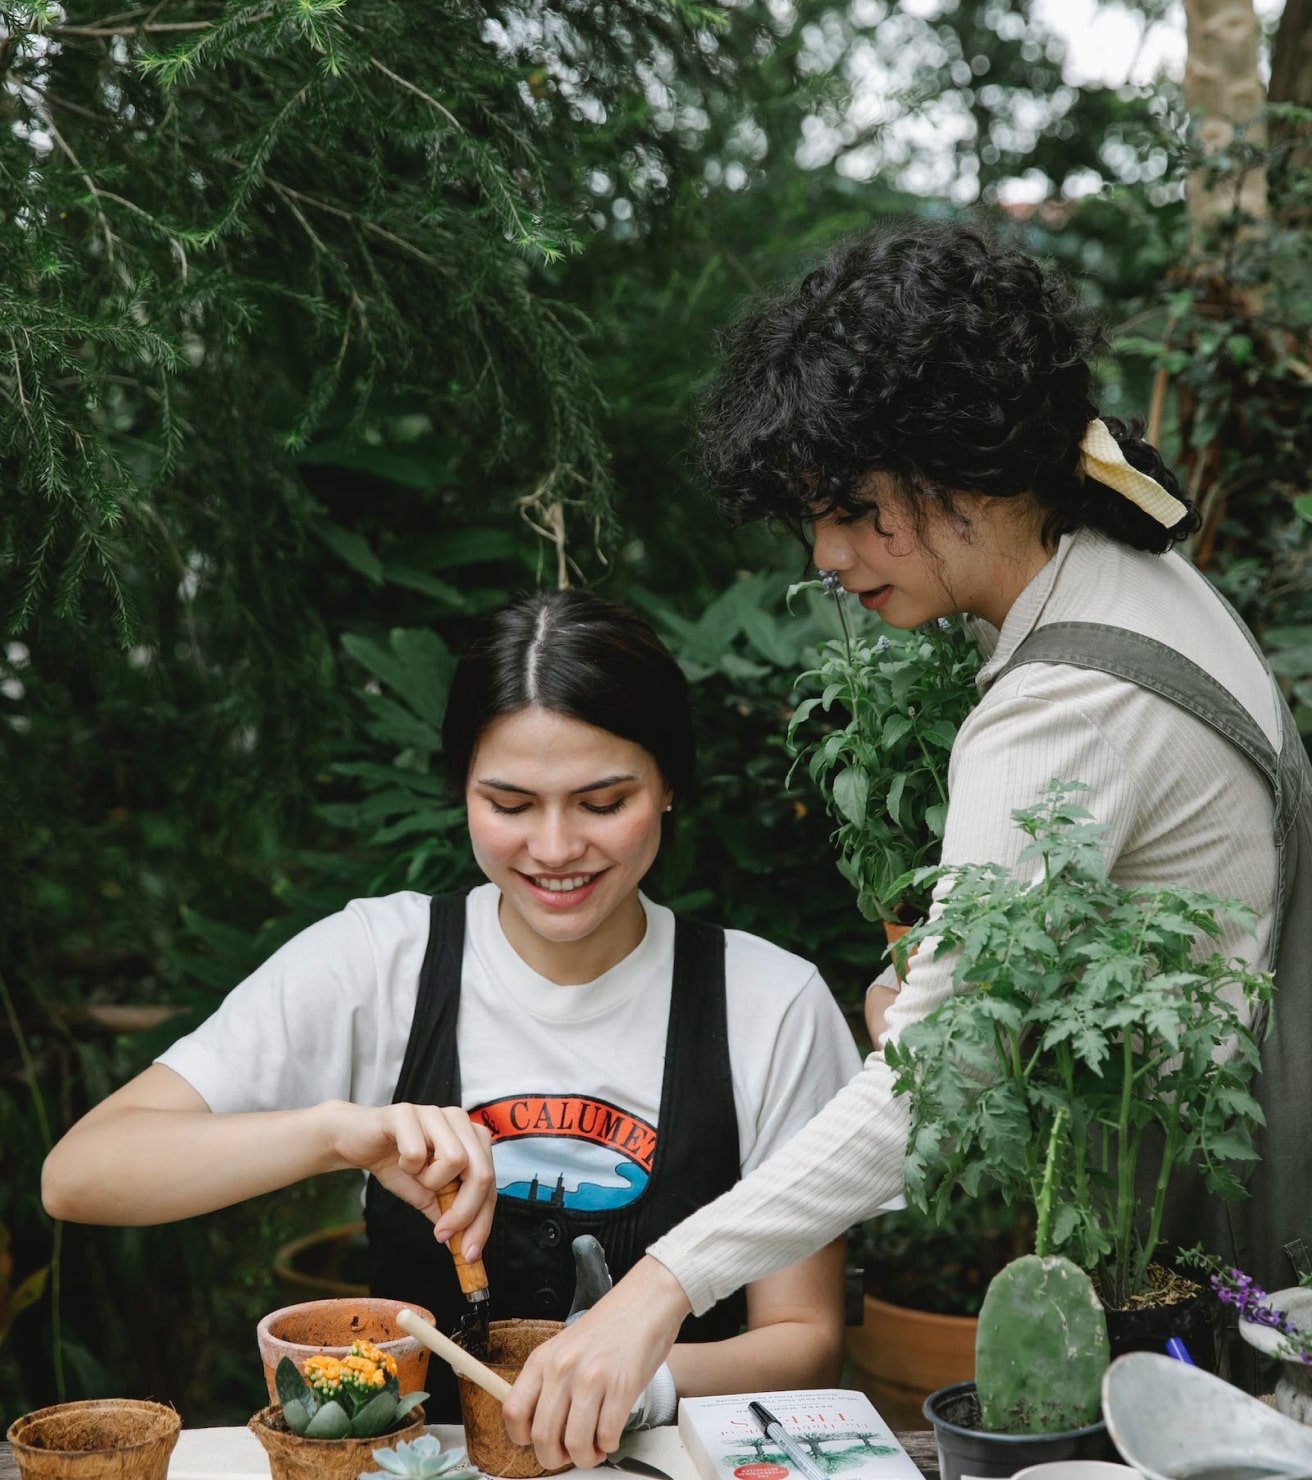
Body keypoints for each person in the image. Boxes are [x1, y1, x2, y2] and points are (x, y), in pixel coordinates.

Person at [498, 221, 1312, 1466]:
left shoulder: (1061, 703)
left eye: (855, 511)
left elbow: (934, 1086)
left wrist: (653, 1290)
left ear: (970, 469)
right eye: (812, 517)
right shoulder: (1123, 563)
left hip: (1221, 1249)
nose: (828, 557)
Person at [40, 589, 861, 1419]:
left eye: (603, 803)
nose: (555, 848)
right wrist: (334, 1135)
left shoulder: (770, 1004)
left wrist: (642, 1380)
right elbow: (80, 1175)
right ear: (461, 789)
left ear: (670, 784)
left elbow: (806, 1336)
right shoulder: (378, 963)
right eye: (509, 805)